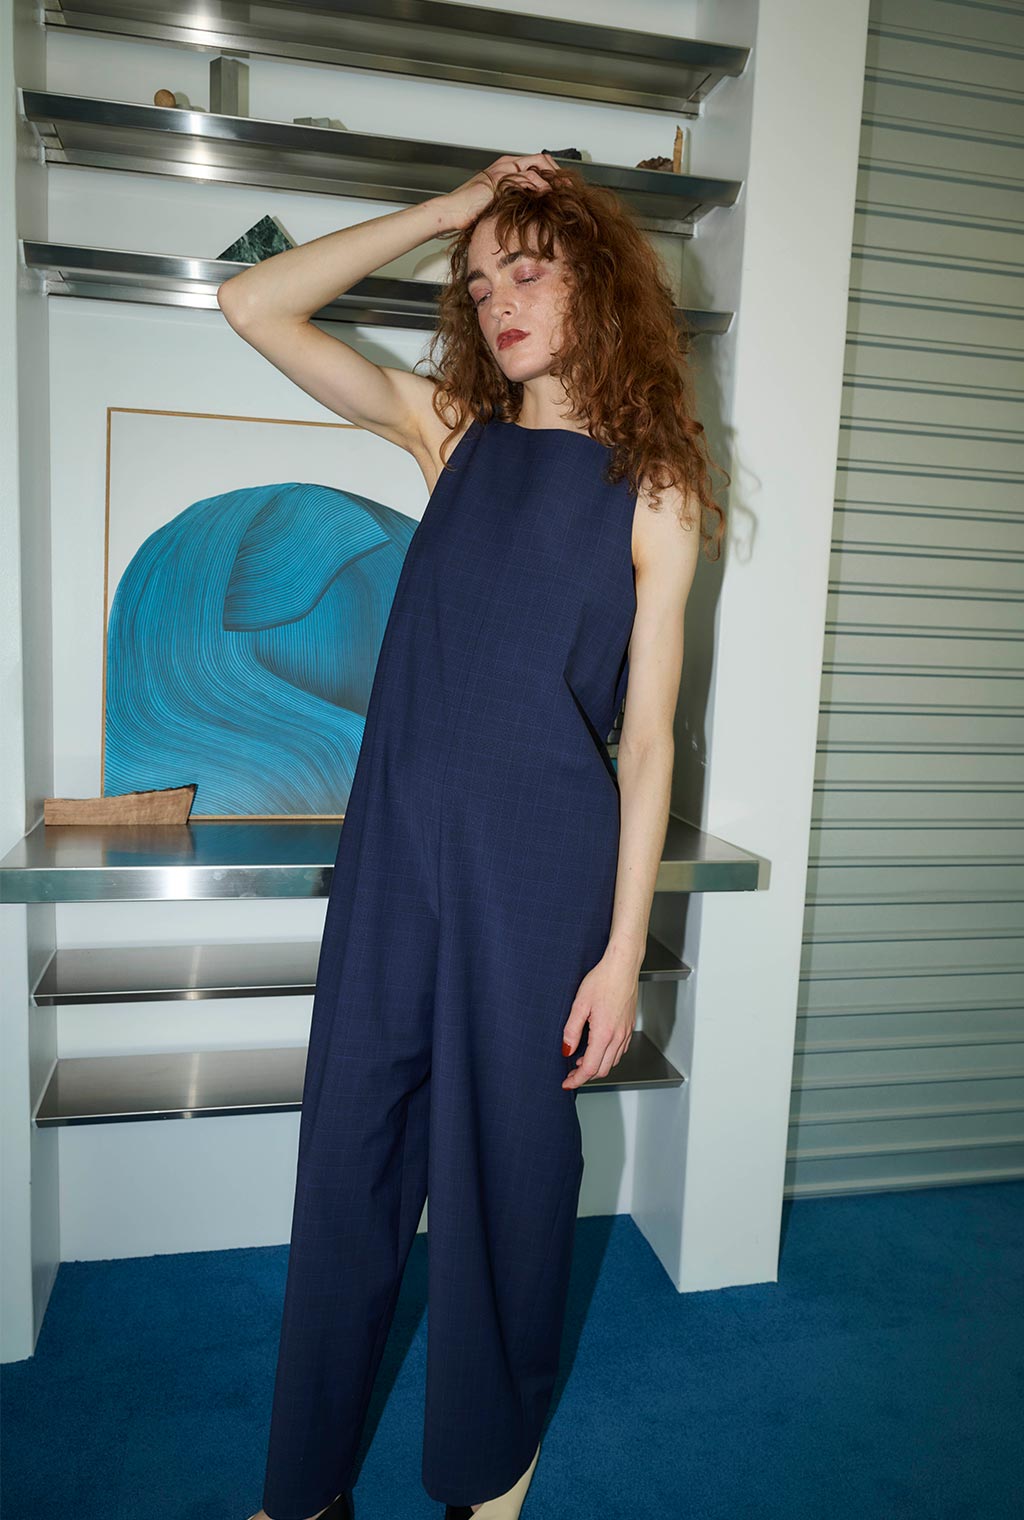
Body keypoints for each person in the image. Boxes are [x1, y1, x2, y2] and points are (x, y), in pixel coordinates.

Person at [217, 151, 726, 1520]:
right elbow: (255, 304)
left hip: (538, 873)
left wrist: (622, 954)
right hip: (395, 860)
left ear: (597, 285)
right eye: (481, 280)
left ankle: (489, 1465)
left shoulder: (656, 491)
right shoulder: (452, 433)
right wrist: (452, 210)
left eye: (531, 269)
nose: (499, 299)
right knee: (351, 1161)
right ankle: (304, 1485)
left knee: (510, 1175)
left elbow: (650, 744)